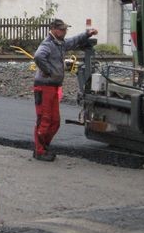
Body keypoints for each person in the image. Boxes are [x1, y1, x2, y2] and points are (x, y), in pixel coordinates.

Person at [32, 18, 98, 162]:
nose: (64, 31)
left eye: (65, 29)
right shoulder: (48, 44)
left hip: (53, 86)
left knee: (55, 121)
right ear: (53, 30)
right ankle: (40, 150)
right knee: (45, 119)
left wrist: (87, 34)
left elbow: (74, 40)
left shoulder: (60, 44)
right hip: (44, 86)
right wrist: (48, 71)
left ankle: (43, 146)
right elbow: (38, 56)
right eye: (62, 29)